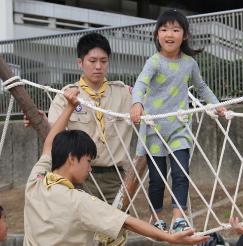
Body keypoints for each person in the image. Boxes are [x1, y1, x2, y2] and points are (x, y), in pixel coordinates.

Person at [24, 87, 208, 246]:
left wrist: (70, 107)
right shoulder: (78, 201)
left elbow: (49, 145)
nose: (89, 169)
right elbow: (127, 222)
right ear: (72, 158)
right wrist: (169, 238)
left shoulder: (36, 180)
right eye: (88, 161)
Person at [130, 9, 226, 233]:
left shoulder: (189, 63)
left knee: (181, 173)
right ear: (156, 35)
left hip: (179, 127)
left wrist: (216, 104)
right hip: (154, 128)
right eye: (163, 29)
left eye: (175, 29)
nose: (169, 34)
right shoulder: (153, 62)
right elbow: (141, 84)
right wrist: (137, 104)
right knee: (157, 178)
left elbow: (201, 86)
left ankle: (178, 216)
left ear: (185, 35)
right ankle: (156, 216)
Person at [33, 32, 133, 204]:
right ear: (80, 63)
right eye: (92, 61)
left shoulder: (124, 94)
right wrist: (40, 120)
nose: (98, 66)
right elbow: (54, 135)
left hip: (115, 177)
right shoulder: (66, 96)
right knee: (82, 228)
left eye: (103, 61)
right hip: (79, 176)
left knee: (117, 227)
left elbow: (150, 108)